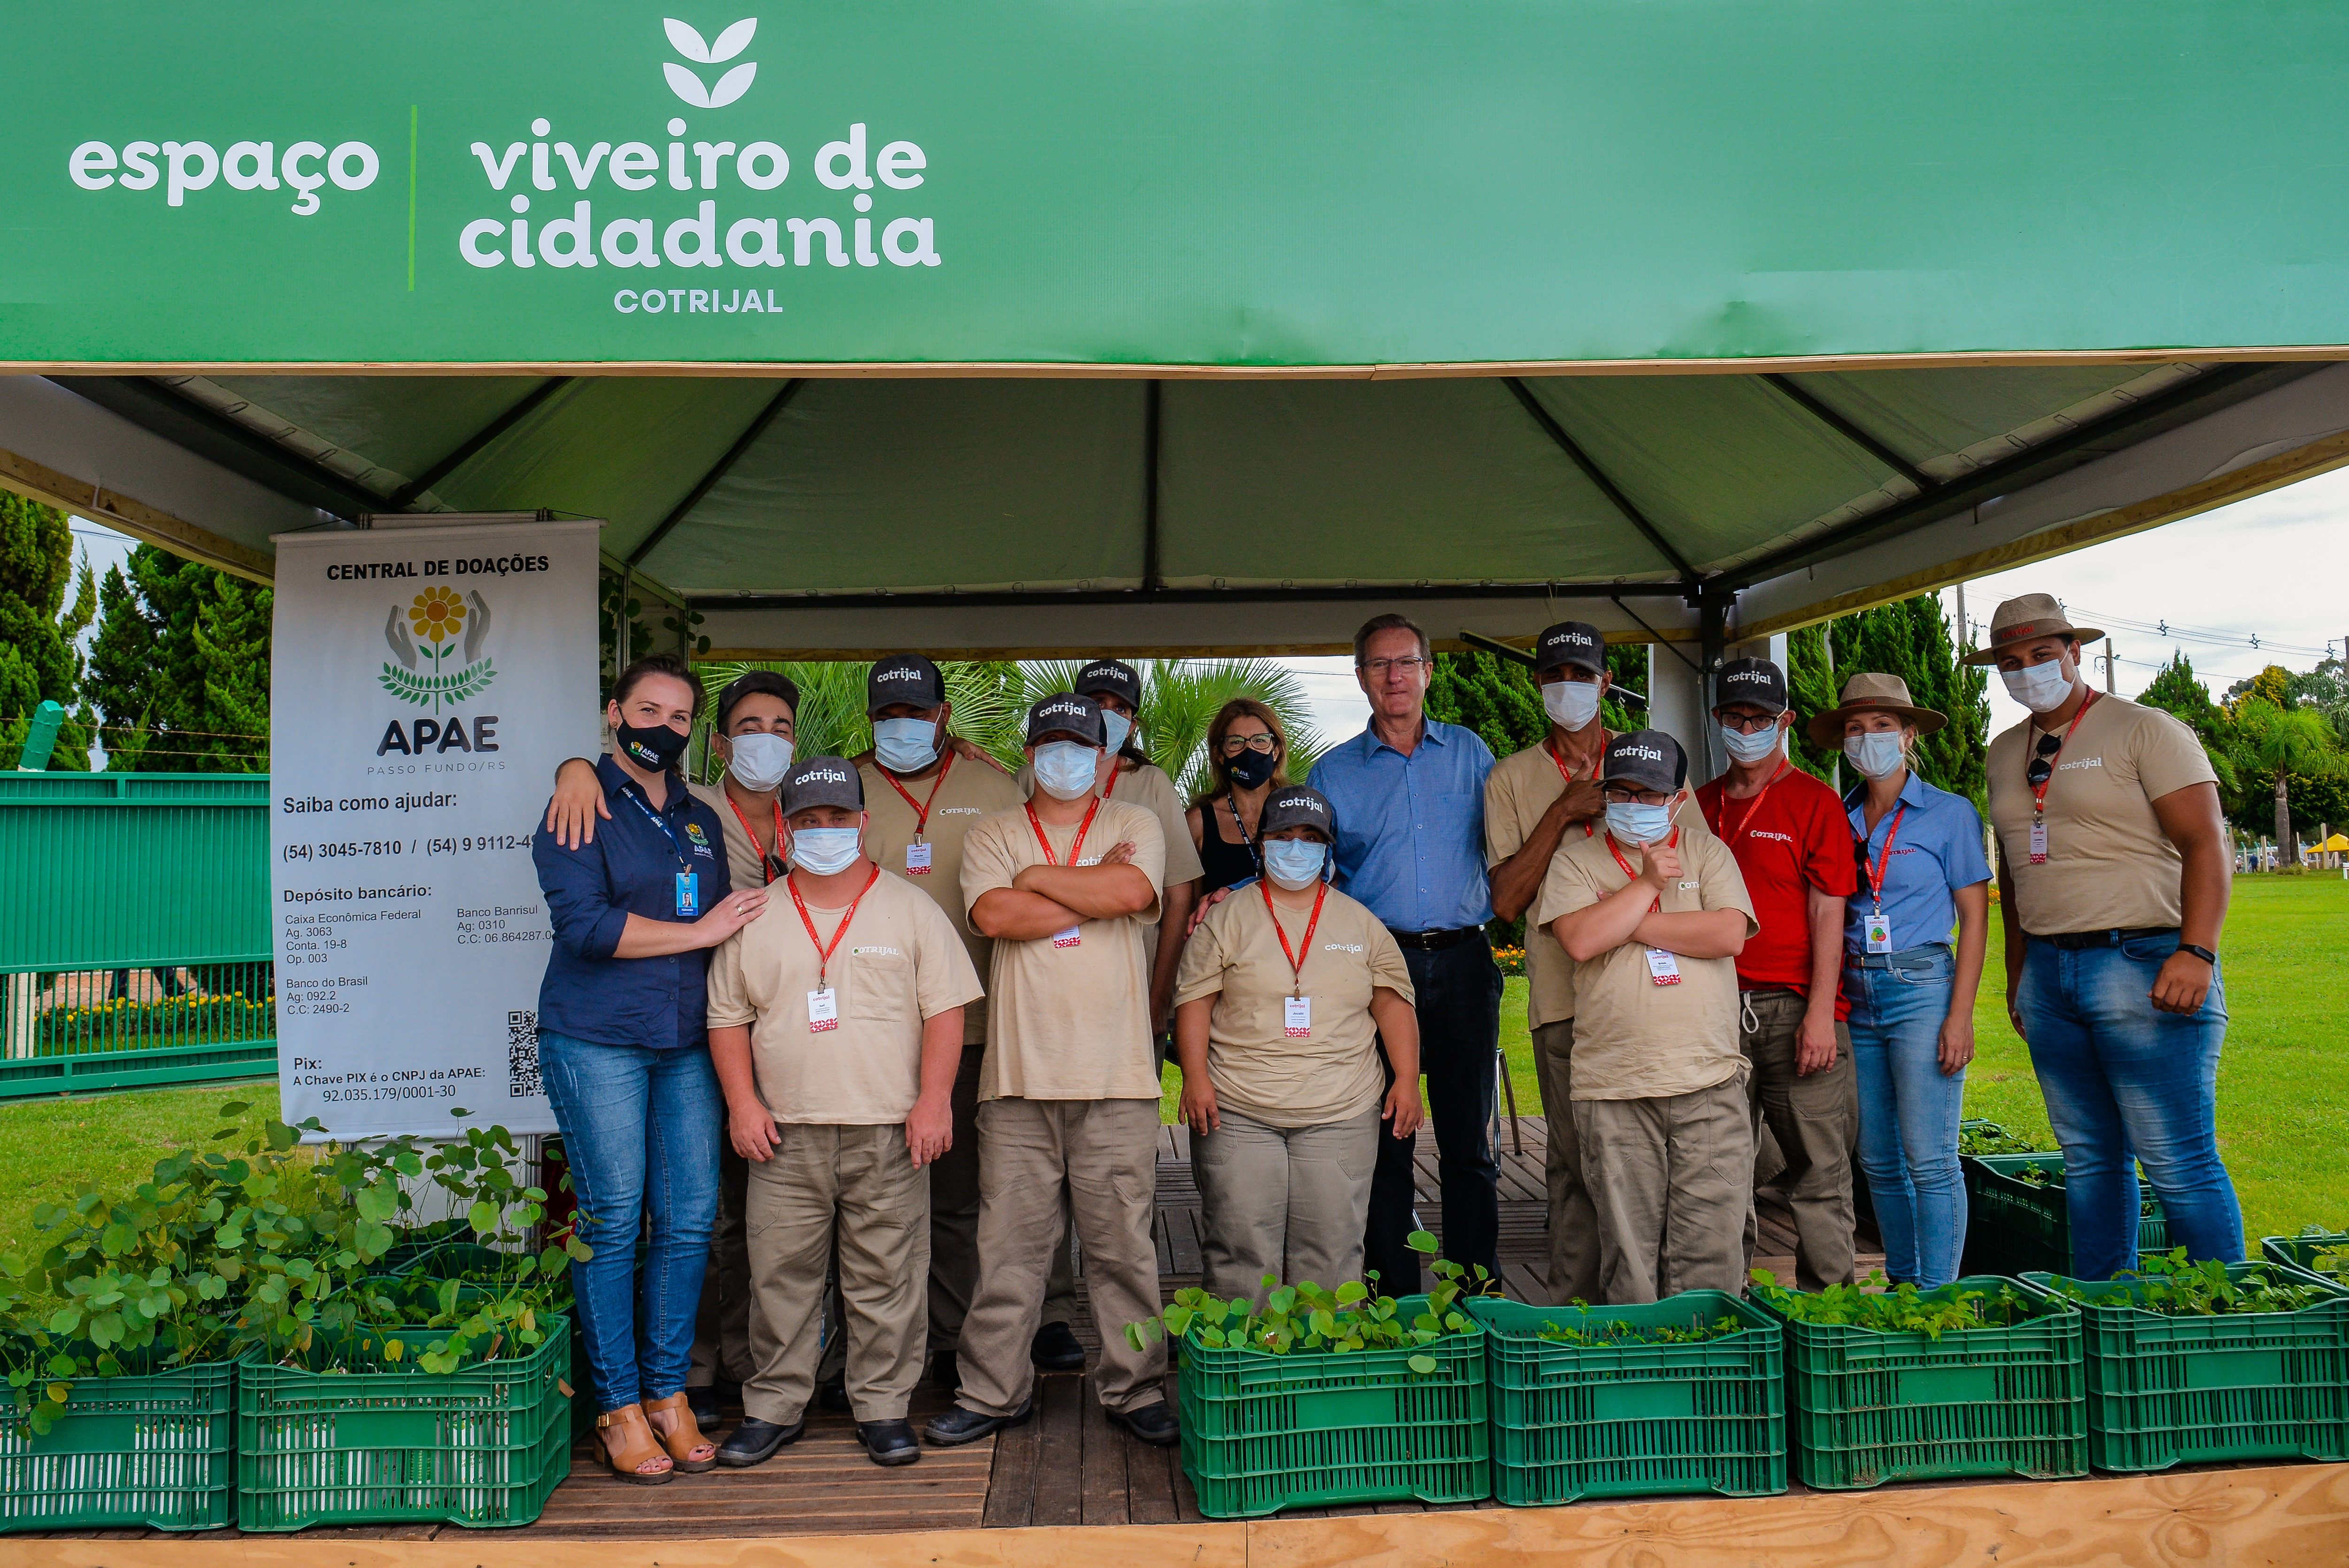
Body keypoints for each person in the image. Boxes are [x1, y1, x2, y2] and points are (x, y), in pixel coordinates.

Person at [705, 757, 982, 1469]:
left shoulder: (911, 908)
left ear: (862, 824)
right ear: (783, 828)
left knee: (886, 1276)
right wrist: (741, 1104)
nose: (821, 831)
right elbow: (727, 1019)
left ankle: (884, 1407)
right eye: (805, 820)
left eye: (835, 819)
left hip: (889, 1130)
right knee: (779, 1278)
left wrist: (932, 1103)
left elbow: (945, 1010)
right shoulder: (755, 914)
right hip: (783, 1133)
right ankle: (773, 1407)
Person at [530, 653, 766, 1484]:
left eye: (677, 717)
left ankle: (669, 1396)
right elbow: (587, 928)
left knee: (692, 1217)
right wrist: (702, 934)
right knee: (614, 1216)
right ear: (613, 713)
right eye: (647, 710)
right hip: (597, 1038)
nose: (661, 727)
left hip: (687, 1042)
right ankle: (616, 1406)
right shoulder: (580, 802)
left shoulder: (700, 816)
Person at [925, 693, 1177, 1448]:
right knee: (1007, 1250)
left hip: (1117, 1077)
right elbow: (996, 918)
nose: (1064, 758)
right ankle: (992, 1391)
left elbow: (1135, 892)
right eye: (1050, 745)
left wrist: (1035, 878)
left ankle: (1135, 1389)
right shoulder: (993, 832)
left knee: (1122, 1251)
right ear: (1029, 755)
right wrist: (1083, 888)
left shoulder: (1133, 825)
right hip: (1018, 1081)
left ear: (1104, 757)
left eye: (1081, 746)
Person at [1972, 593, 2237, 1278]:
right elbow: (2013, 869)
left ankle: (2219, 1318)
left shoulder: (2144, 730)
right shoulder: (2004, 752)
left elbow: (2205, 841)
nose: (2026, 671)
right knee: (2088, 1161)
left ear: (2073, 653)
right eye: (2009, 662)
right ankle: (2105, 1310)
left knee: (2176, 1160)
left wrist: (2196, 950)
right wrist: (2018, 977)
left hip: (2144, 961)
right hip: (2050, 971)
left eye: (2039, 655)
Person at [854, 654, 1075, 1384]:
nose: (903, 727)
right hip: (872, 1031)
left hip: (981, 1023)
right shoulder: (846, 789)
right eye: (888, 715)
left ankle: (956, 1341)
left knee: (967, 1198)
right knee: (876, 1202)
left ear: (943, 716)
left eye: (916, 713)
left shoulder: (990, 784)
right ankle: (880, 1349)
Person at [1485, 620, 1697, 1304]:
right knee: (1578, 1168)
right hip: (1564, 999)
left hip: (1654, 995)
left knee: (1658, 1168)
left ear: (1607, 683)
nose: (1567, 688)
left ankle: (1658, 1314)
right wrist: (1562, 811)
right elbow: (1506, 901)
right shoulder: (1511, 778)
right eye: (1554, 676)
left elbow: (1695, 868)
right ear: (1537, 684)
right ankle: (1577, 1324)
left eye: (1581, 675)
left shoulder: (1654, 760)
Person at [1309, 613, 1502, 1293]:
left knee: (1467, 1144)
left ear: (1428, 670)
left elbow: (1510, 847)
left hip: (1463, 962)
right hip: (1377, 969)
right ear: (1360, 678)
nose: (1394, 676)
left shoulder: (1473, 755)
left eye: (1406, 662)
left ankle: (1476, 1291)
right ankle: (1392, 1296)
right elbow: (1309, 873)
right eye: (1379, 665)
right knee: (1384, 1143)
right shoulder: (1331, 773)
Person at [1173, 784, 1424, 1299]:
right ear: (1261, 842)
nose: (1295, 847)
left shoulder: (1361, 923)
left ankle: (1321, 1371)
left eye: (1310, 837)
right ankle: (1245, 1372)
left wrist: (1405, 1079)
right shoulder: (1226, 916)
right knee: (1240, 1249)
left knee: (1332, 1252)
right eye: (1283, 835)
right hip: (1238, 1110)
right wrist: (1194, 1078)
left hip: (1340, 1111)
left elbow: (1392, 1003)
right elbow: (1194, 1001)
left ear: (1327, 847)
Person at [1536, 731, 1758, 1303]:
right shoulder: (1573, 860)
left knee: (1711, 1248)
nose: (1633, 806)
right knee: (1628, 1255)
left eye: (1649, 795)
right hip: (1614, 1087)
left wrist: (1624, 918)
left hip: (1705, 1079)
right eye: (1621, 792)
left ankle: (1707, 1376)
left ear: (1676, 801)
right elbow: (1581, 941)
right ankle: (1638, 1378)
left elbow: (1727, 933)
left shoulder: (1707, 852)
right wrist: (1647, 885)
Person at [1809, 673, 1991, 1288]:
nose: (1868, 740)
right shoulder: (1839, 817)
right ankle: (1903, 1283)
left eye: (1881, 727)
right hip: (1855, 995)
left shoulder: (1948, 814)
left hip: (1920, 986)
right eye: (1855, 730)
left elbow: (1974, 918)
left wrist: (1958, 1015)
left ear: (1908, 735)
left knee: (1930, 1158)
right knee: (1878, 1160)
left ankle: (1937, 1296)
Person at [1694, 657, 1859, 1293]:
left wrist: (1820, 1013)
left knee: (1818, 1168)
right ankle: (1727, 1302)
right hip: (1713, 1011)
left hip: (1794, 1009)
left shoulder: (1813, 802)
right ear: (1717, 721)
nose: (1745, 728)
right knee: (1718, 1170)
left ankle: (1827, 1311)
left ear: (1783, 722)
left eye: (1758, 718)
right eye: (1734, 717)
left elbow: (1827, 913)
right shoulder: (1697, 806)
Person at [1016, 659, 1204, 1045]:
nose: (1108, 714)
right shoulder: (1029, 777)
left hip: (1131, 982)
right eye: (1097, 702)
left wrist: (1159, 995)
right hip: (1039, 974)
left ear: (1133, 725)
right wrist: (1103, 879)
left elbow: (1178, 891)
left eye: (1121, 709)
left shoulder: (1150, 784)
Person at [1186, 699, 1293, 896]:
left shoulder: (1298, 812)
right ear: (1220, 754)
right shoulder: (1198, 822)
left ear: (1276, 750)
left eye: (1260, 740)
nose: (1249, 750)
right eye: (1236, 742)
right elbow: (1186, 902)